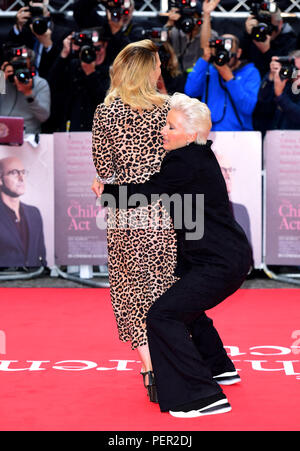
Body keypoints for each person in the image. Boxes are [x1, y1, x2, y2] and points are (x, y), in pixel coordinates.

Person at [101, 93, 252, 417]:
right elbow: (187, 212)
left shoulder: (184, 161)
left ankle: (201, 396)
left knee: (161, 315)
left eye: (171, 127)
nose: (163, 132)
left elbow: (149, 192)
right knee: (186, 307)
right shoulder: (199, 156)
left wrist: (108, 192)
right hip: (223, 257)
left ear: (192, 134)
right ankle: (218, 366)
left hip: (220, 262)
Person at [91, 40, 178, 400]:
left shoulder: (105, 112)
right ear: (147, 71)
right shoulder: (170, 110)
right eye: (156, 65)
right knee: (168, 289)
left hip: (126, 214)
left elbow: (105, 169)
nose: (161, 69)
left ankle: (150, 368)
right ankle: (175, 361)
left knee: (132, 293)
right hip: (170, 213)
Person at [184, 33, 261, 131]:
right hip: (209, 134)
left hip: (239, 135)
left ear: (238, 53)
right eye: (220, 52)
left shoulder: (250, 72)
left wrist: (229, 78)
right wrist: (204, 59)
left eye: (228, 53)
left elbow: (248, 107)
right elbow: (190, 91)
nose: (223, 57)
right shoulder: (209, 70)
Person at [47, 28, 110, 132]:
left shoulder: (111, 72)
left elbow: (105, 102)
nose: (94, 53)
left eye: (98, 48)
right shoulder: (73, 66)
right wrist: (64, 53)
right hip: (70, 131)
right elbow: (51, 85)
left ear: (105, 45)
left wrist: (91, 74)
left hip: (97, 134)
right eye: (89, 49)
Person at [7, 1, 73, 80]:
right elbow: (8, 51)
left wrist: (48, 45)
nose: (37, 16)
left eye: (39, 12)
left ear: (48, 13)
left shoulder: (62, 33)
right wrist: (18, 26)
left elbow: (63, 66)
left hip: (50, 83)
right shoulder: (25, 31)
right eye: (34, 12)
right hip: (23, 81)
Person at [0, 156, 47, 267]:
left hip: (35, 280)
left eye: (23, 172)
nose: (21, 178)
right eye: (14, 172)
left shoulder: (34, 213)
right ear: (0, 180)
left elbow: (41, 258)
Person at [0, 54, 50, 135]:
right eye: (16, 67)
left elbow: (43, 117)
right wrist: (1, 77)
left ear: (32, 69)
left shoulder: (40, 84)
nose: (19, 72)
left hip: (28, 136)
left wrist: (28, 93)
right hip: (2, 134)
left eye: (23, 68)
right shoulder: (4, 80)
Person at [241, 7, 297, 78]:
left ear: (280, 24)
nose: (263, 30)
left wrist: (267, 51)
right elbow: (239, 61)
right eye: (261, 25)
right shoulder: (252, 37)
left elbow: (291, 74)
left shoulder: (292, 42)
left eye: (268, 26)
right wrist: (247, 34)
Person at [254, 51, 300, 134]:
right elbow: (262, 104)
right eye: (296, 69)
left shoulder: (282, 86)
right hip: (274, 139)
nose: (298, 73)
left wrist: (280, 95)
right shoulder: (283, 81)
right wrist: (271, 77)